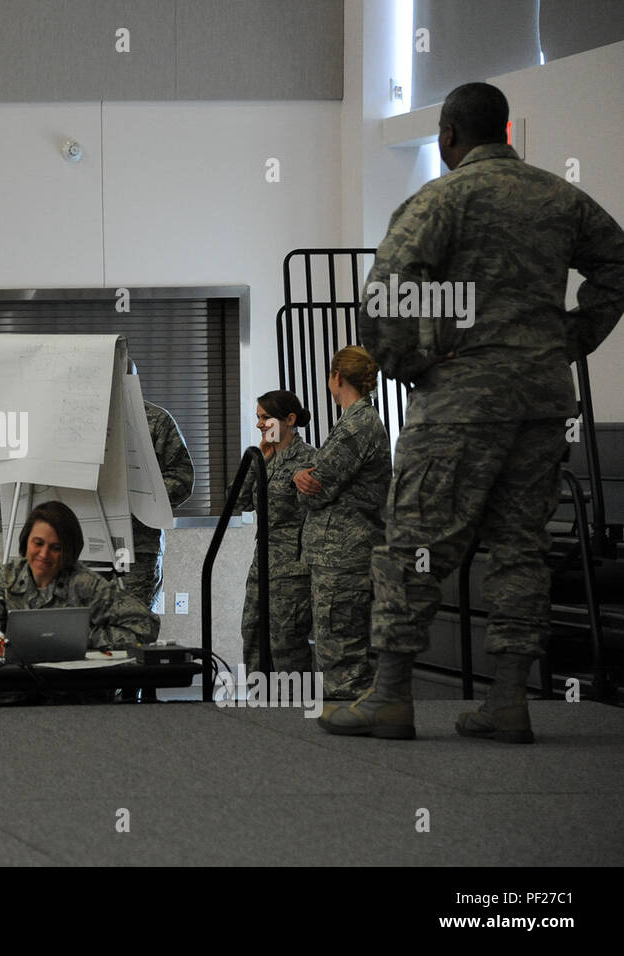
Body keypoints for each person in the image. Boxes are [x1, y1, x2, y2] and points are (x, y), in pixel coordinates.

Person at [322, 82, 624, 742]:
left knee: (412, 547)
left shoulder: (442, 198)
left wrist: (404, 364)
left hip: (460, 403)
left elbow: (384, 290)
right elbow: (618, 264)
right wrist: (567, 341)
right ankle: (509, 700)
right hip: (543, 405)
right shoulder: (560, 197)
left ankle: (392, 696)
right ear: (507, 134)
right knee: (522, 548)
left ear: (449, 136)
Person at [293, 346, 391, 700]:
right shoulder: (355, 420)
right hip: (340, 553)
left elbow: (317, 490)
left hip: (345, 554)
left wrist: (302, 480)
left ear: (336, 377)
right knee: (337, 644)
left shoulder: (357, 426)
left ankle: (353, 719)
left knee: (342, 652)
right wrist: (305, 476)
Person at [0, 499, 159, 655]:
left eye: (55, 548)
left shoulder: (86, 584)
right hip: (13, 684)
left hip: (73, 693)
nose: (44, 555)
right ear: (26, 542)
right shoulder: (6, 578)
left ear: (68, 551)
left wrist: (86, 638)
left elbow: (147, 626)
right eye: (38, 543)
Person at [238, 390, 316, 675]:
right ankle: (260, 712)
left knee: (286, 645)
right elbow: (239, 501)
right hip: (263, 565)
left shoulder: (308, 461)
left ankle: (294, 714)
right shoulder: (264, 456)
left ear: (289, 419)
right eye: (258, 418)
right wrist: (261, 458)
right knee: (252, 637)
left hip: (292, 570)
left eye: (266, 417)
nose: (259, 424)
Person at [124, 400, 196, 611]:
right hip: (82, 551)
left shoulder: (155, 420)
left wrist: (136, 495)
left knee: (134, 628)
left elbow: (183, 478)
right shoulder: (75, 417)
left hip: (137, 550)